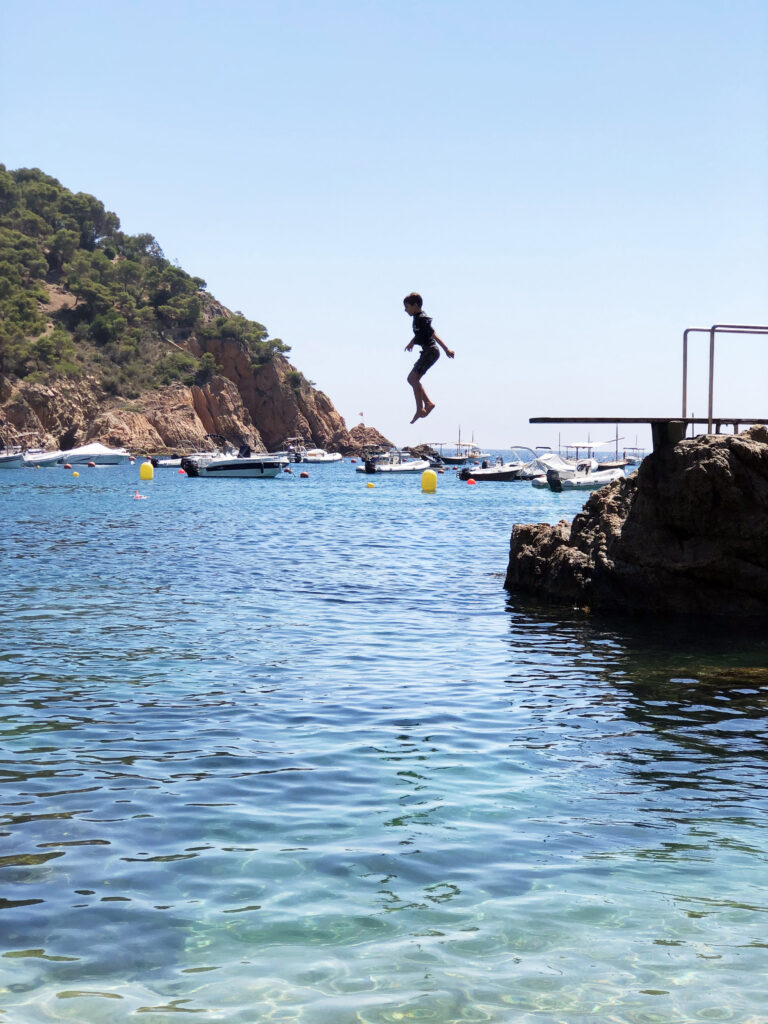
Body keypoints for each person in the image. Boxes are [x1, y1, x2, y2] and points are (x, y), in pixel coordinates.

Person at [403, 292, 454, 424]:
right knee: (411, 379)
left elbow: (433, 333)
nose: (405, 310)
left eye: (407, 307)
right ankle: (428, 403)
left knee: (413, 378)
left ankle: (420, 408)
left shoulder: (422, 318)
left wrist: (446, 349)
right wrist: (412, 342)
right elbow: (421, 334)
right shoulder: (417, 318)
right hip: (427, 351)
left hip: (431, 351)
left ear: (415, 305)